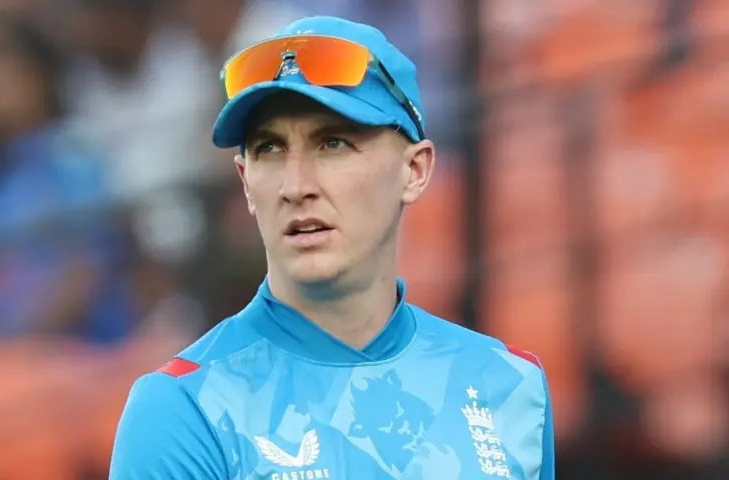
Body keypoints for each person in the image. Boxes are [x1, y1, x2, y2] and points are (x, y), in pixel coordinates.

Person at [109, 15, 555, 479]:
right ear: (245, 181)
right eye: (269, 149)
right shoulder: (183, 409)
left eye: (334, 143)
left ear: (415, 170)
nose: (295, 186)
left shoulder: (510, 383)